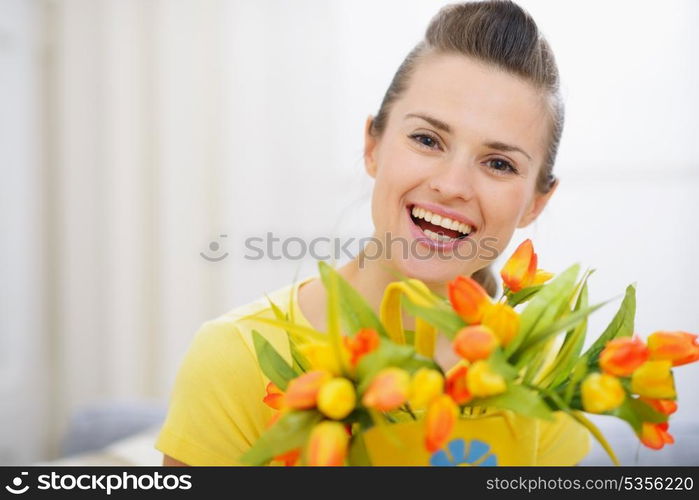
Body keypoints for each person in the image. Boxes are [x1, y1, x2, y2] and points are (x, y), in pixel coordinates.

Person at [157, 0, 591, 466]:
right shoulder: (235, 359)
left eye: (499, 164)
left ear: (536, 202)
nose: (451, 186)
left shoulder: (543, 379)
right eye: (427, 139)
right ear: (372, 147)